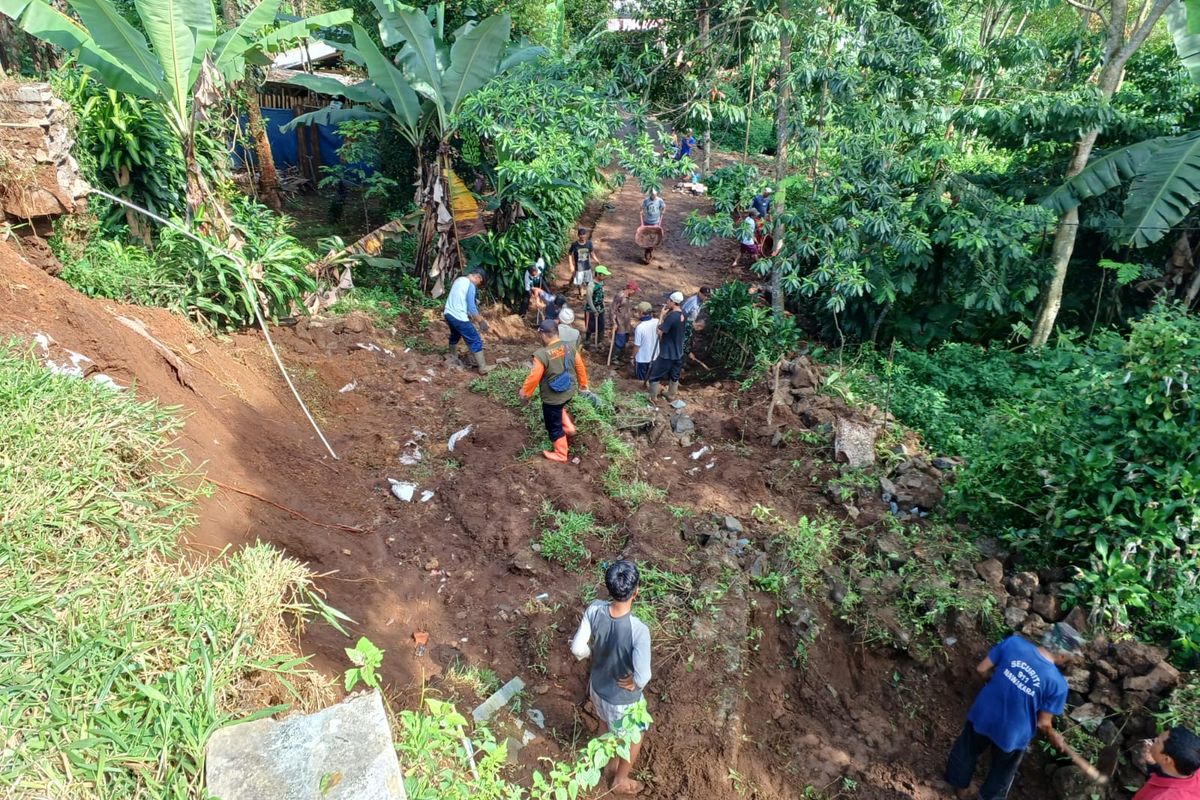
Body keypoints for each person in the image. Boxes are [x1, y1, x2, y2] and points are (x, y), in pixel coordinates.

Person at [945, 623, 1084, 800]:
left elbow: (981, 669)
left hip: (984, 714)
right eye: (1068, 658)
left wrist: (996, 682)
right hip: (1013, 734)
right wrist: (1054, 736)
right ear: (1063, 654)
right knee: (1001, 773)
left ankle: (958, 791)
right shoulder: (1058, 685)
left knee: (967, 750)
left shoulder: (1013, 643)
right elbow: (1043, 723)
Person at [570, 560, 652, 796]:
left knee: (605, 723)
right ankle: (620, 779)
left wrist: (590, 653)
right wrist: (635, 683)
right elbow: (644, 674)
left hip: (597, 688)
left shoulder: (595, 609)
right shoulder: (638, 630)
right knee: (634, 737)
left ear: (609, 586)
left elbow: (577, 648)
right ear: (636, 591)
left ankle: (606, 761)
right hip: (622, 699)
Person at [519, 318, 590, 462]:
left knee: (553, 425)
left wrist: (525, 393)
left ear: (544, 335)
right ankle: (569, 428)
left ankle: (561, 454)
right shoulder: (569, 346)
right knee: (559, 408)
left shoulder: (542, 355)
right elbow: (580, 366)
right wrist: (583, 384)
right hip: (569, 390)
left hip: (553, 398)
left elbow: (534, 377)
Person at [443, 269, 494, 374]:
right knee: (475, 339)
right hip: (459, 316)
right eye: (480, 283)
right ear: (478, 278)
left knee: (455, 335)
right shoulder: (470, 285)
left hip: (448, 313)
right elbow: (471, 307)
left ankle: (453, 358)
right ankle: (483, 367)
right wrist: (481, 321)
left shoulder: (459, 280)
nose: (478, 285)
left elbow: (459, 299)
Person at [1133, 726, 1200, 799]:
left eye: (1158, 741)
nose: (1154, 739)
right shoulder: (1193, 763)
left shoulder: (1163, 797)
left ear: (1166, 759)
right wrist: (1154, 764)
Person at [647, 291, 687, 403]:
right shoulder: (683, 313)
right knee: (675, 375)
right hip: (679, 352)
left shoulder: (672, 317)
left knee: (655, 375)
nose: (666, 302)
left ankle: (653, 397)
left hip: (667, 353)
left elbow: (659, 332)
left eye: (668, 301)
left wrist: (661, 316)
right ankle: (671, 395)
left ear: (673, 302)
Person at [610, 280, 639, 362]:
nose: (635, 293)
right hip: (620, 324)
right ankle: (615, 358)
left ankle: (621, 357)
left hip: (626, 324)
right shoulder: (620, 296)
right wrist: (614, 322)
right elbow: (612, 310)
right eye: (634, 290)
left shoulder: (628, 297)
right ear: (630, 289)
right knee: (619, 341)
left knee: (625, 340)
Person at [681, 286, 711, 360]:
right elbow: (683, 314)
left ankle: (683, 360)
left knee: (688, 342)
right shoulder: (692, 302)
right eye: (705, 295)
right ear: (699, 293)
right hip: (684, 325)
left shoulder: (700, 302)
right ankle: (680, 362)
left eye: (708, 296)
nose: (706, 297)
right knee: (683, 343)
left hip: (689, 325)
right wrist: (691, 324)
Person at [585, 265, 611, 348]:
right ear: (599, 275)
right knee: (590, 326)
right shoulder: (591, 285)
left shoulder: (601, 282)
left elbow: (601, 294)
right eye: (604, 275)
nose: (605, 276)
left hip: (600, 308)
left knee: (601, 325)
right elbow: (589, 299)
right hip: (591, 309)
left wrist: (603, 304)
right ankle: (587, 341)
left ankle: (600, 341)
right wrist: (594, 310)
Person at [631, 302, 657, 381]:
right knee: (651, 380)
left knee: (640, 381)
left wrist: (632, 357)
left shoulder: (640, 327)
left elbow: (637, 346)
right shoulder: (657, 321)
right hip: (655, 357)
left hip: (642, 358)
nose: (636, 313)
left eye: (637, 311)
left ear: (641, 313)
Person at [569, 228, 595, 298]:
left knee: (588, 281)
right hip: (579, 267)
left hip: (587, 266)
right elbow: (570, 254)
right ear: (578, 236)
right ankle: (581, 294)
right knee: (579, 282)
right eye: (581, 236)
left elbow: (592, 253)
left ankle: (589, 294)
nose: (582, 237)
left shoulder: (589, 243)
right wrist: (571, 265)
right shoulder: (574, 244)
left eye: (584, 236)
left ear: (586, 235)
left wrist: (596, 260)